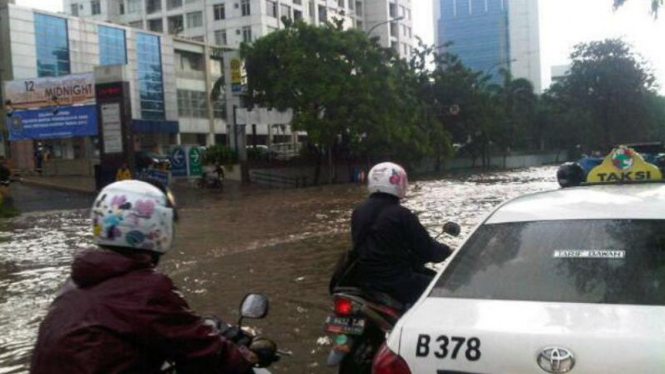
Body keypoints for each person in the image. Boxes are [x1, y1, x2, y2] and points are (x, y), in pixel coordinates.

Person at [31, 180, 274, 373]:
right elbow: (207, 353)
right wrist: (250, 355)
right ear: (158, 227)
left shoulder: (74, 284)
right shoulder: (147, 289)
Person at [330, 162, 453, 306]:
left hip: (364, 279)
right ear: (400, 182)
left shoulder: (359, 211)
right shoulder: (401, 214)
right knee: (444, 290)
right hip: (394, 281)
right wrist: (447, 251)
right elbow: (427, 250)